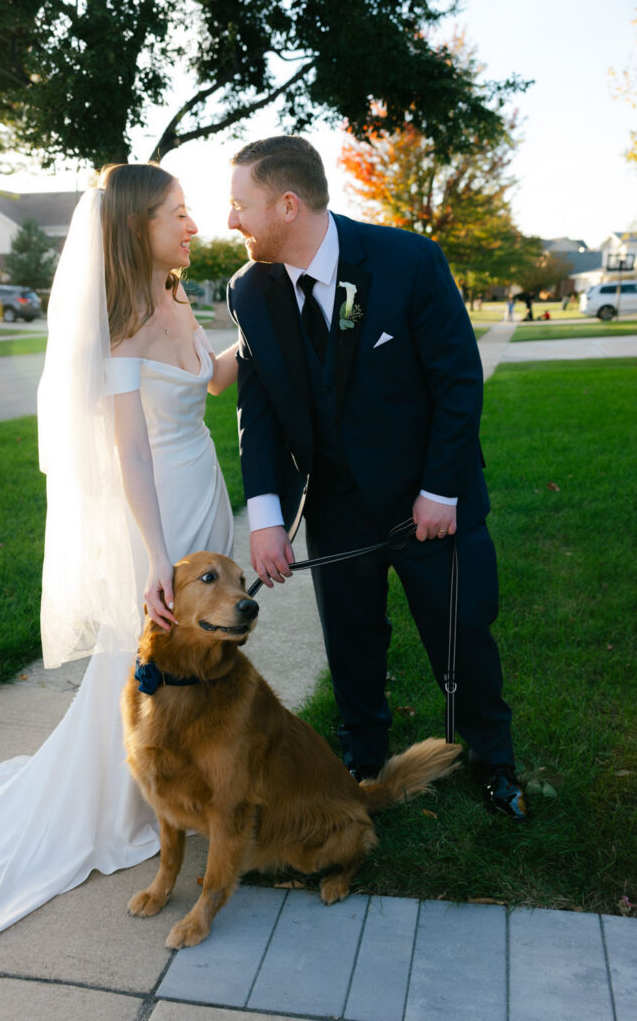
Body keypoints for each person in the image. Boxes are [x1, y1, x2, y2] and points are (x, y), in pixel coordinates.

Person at [0, 163, 238, 946]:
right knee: (149, 662)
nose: (192, 225)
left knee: (196, 665)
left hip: (203, 489)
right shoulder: (120, 322)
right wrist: (155, 556)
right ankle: (135, 799)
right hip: (163, 514)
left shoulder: (179, 297)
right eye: (177, 215)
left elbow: (210, 382)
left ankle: (185, 782)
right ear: (135, 228)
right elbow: (130, 455)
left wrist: (269, 322)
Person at [226, 136, 527, 820]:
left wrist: (440, 490)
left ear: (288, 204)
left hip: (431, 501)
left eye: (240, 206)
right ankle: (362, 762)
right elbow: (259, 408)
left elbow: (456, 384)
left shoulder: (407, 261)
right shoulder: (251, 289)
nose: (231, 222)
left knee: (462, 634)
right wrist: (268, 518)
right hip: (336, 506)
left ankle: (492, 759)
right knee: (351, 642)